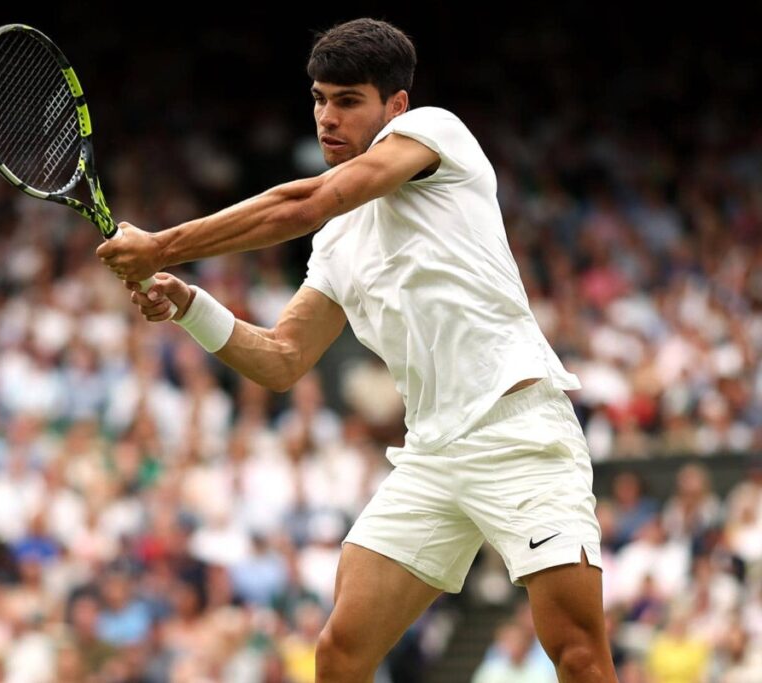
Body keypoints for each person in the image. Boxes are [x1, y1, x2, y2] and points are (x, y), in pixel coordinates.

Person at [96, 17, 616, 683]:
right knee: (340, 652)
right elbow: (283, 358)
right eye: (319, 99)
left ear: (395, 106)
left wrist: (164, 245)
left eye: (348, 101)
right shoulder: (340, 244)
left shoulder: (435, 134)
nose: (327, 118)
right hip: (432, 454)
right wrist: (190, 303)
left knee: (577, 654)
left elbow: (311, 199)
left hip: (519, 432)